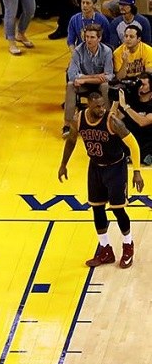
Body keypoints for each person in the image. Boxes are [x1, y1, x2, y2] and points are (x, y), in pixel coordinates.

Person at [58, 90, 144, 269]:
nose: (101, 109)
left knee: (118, 210)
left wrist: (136, 171)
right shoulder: (79, 119)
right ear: (88, 104)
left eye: (103, 105)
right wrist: (63, 164)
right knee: (97, 209)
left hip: (115, 167)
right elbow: (71, 140)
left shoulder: (112, 121)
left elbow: (133, 145)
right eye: (97, 106)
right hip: (96, 167)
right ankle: (106, 250)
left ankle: (128, 246)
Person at [64, 25, 114, 137]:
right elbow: (72, 75)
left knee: (105, 85)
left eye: (92, 37)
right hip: (86, 84)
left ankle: (107, 120)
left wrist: (84, 79)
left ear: (99, 38)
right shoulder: (78, 50)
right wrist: (95, 76)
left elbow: (108, 76)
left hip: (99, 85)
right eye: (86, 37)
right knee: (71, 85)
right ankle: (67, 124)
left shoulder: (107, 51)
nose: (88, 40)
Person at [118, 73, 152, 164]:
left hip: (147, 140)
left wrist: (126, 107)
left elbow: (143, 122)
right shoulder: (131, 100)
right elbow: (115, 119)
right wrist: (116, 102)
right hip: (131, 138)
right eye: (138, 84)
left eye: (143, 84)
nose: (140, 87)